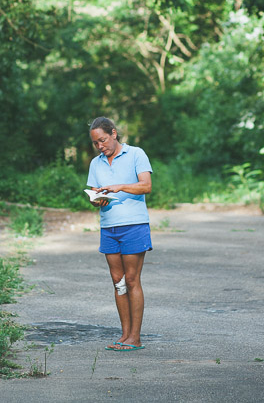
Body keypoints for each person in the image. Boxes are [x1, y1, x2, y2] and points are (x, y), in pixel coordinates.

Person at [86, 116, 152, 352]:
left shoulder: (136, 154)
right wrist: (98, 200)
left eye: (103, 140)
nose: (100, 146)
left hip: (133, 225)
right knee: (118, 282)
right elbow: (94, 195)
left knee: (132, 280)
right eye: (96, 143)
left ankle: (136, 337)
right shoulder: (96, 164)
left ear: (113, 133)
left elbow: (146, 186)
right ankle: (124, 335)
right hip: (109, 227)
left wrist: (120, 186)